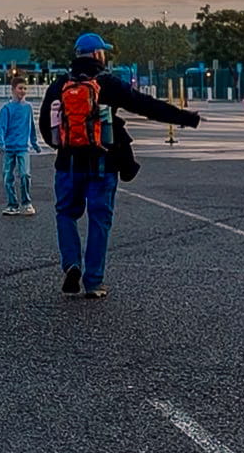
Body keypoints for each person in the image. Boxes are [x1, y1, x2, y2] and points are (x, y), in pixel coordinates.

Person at [40, 32, 199, 300]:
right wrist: (185, 117)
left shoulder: (59, 85)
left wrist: (64, 146)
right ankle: (93, 281)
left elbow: (47, 126)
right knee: (99, 220)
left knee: (66, 213)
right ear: (97, 55)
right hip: (103, 162)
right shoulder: (107, 83)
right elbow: (145, 105)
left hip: (68, 164)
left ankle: (71, 264)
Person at [0, 76, 40, 214]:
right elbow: (1, 127)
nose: (23, 91)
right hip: (9, 147)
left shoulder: (28, 108)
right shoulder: (6, 108)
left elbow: (31, 126)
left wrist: (34, 142)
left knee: (25, 174)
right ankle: (12, 204)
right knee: (8, 176)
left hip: (23, 147)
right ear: (13, 90)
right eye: (20, 88)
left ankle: (26, 202)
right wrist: (1, 142)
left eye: (25, 88)